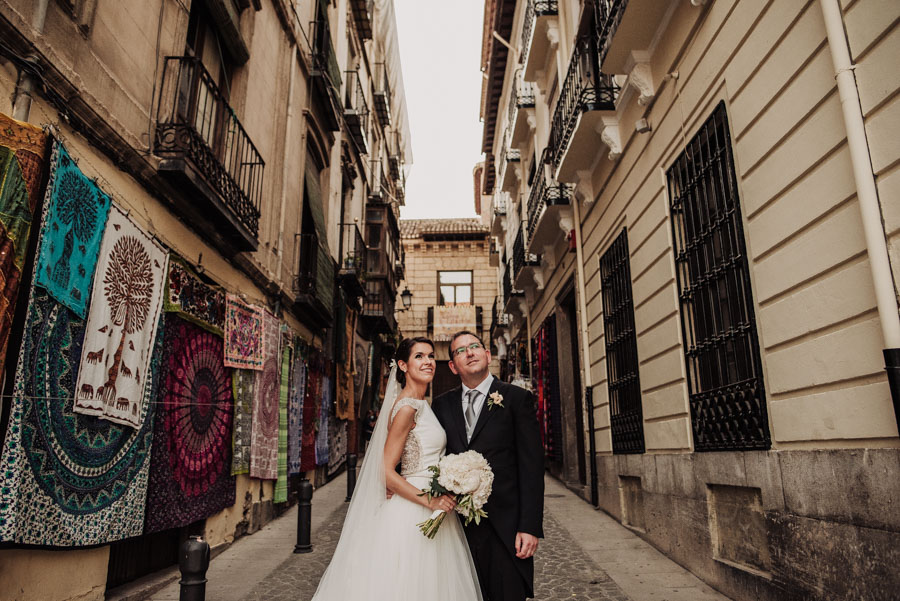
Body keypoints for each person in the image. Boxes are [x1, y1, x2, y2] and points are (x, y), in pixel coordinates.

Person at [311, 337, 483, 600]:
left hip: (433, 507)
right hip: (415, 510)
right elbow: (385, 471)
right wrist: (431, 501)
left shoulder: (421, 403)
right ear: (402, 365)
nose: (427, 362)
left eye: (429, 356)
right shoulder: (406, 408)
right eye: (419, 357)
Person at [432, 331, 544, 601]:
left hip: (505, 528)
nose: (469, 352)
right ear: (452, 366)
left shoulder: (516, 398)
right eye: (460, 351)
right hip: (457, 529)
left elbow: (532, 467)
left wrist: (529, 526)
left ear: (488, 355)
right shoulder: (441, 405)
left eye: (474, 346)